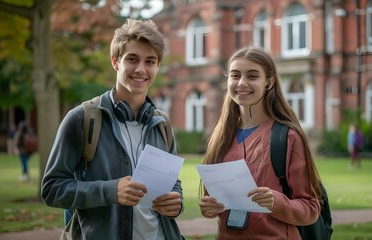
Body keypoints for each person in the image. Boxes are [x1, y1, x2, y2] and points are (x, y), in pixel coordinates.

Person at [41, 19, 184, 240]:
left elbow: (172, 182)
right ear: (115, 62)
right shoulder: (81, 119)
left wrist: (177, 201)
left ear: (158, 66)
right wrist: (110, 191)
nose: (141, 69)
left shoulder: (162, 123)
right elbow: (52, 189)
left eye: (150, 61)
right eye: (132, 59)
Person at [198, 46, 321, 239]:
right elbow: (214, 203)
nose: (242, 83)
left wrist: (276, 202)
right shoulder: (220, 137)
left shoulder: (287, 137)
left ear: (269, 83)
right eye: (235, 75)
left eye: (253, 76)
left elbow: (310, 208)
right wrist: (209, 208)